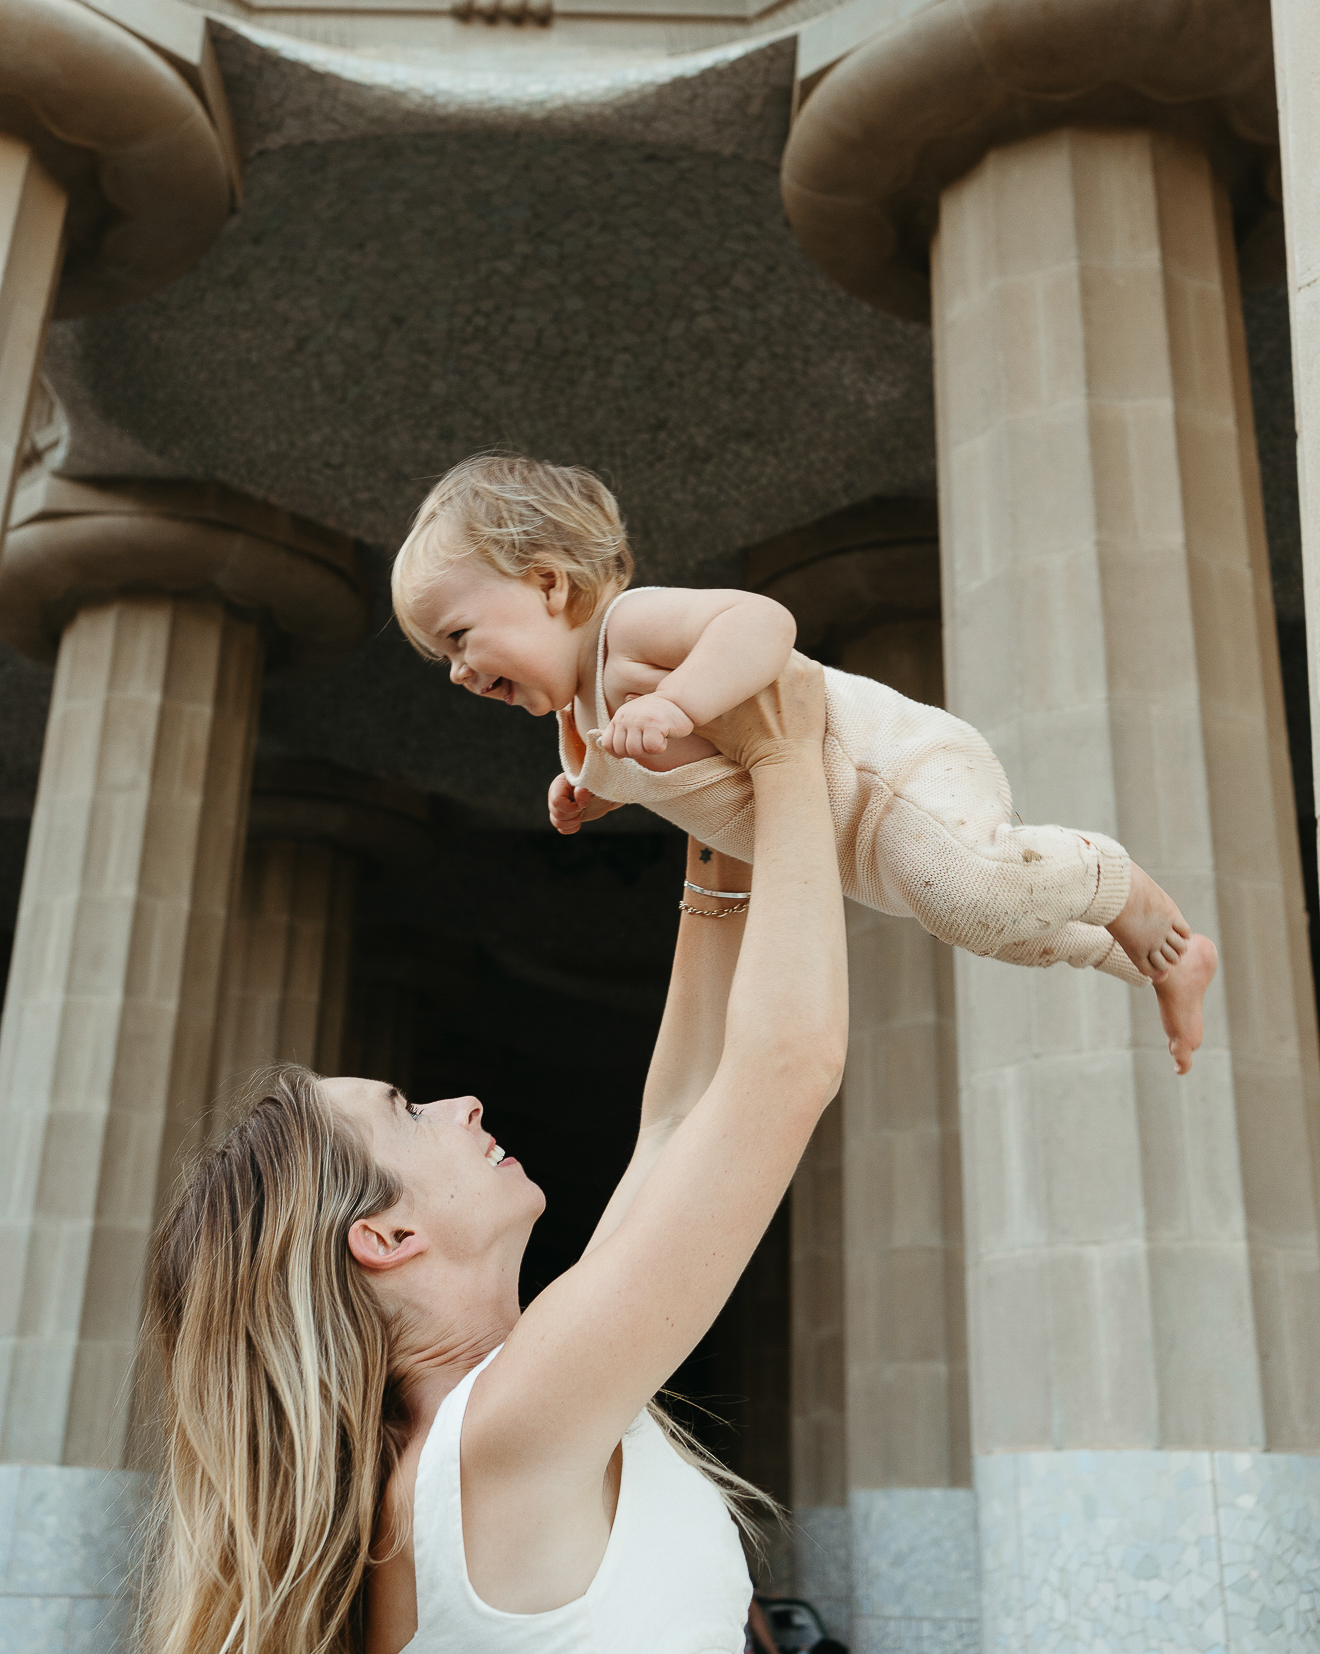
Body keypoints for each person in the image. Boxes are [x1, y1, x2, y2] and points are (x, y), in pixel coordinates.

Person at [138, 657, 847, 1654]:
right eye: (406, 1110)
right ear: (383, 1235)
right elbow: (787, 1069)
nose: (461, 1102)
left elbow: (678, 1120)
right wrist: (784, 749)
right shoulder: (503, 1429)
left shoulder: (472, 1435)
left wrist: (706, 820)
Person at [390, 453, 1217, 1073]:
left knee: (975, 888)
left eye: (459, 637)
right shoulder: (579, 715)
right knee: (990, 927)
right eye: (441, 660)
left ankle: (1121, 882)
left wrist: (679, 702)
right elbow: (663, 772)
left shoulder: (631, 629)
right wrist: (593, 798)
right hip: (849, 844)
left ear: (549, 583)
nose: (459, 671)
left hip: (892, 774)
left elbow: (761, 623)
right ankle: (1153, 959)